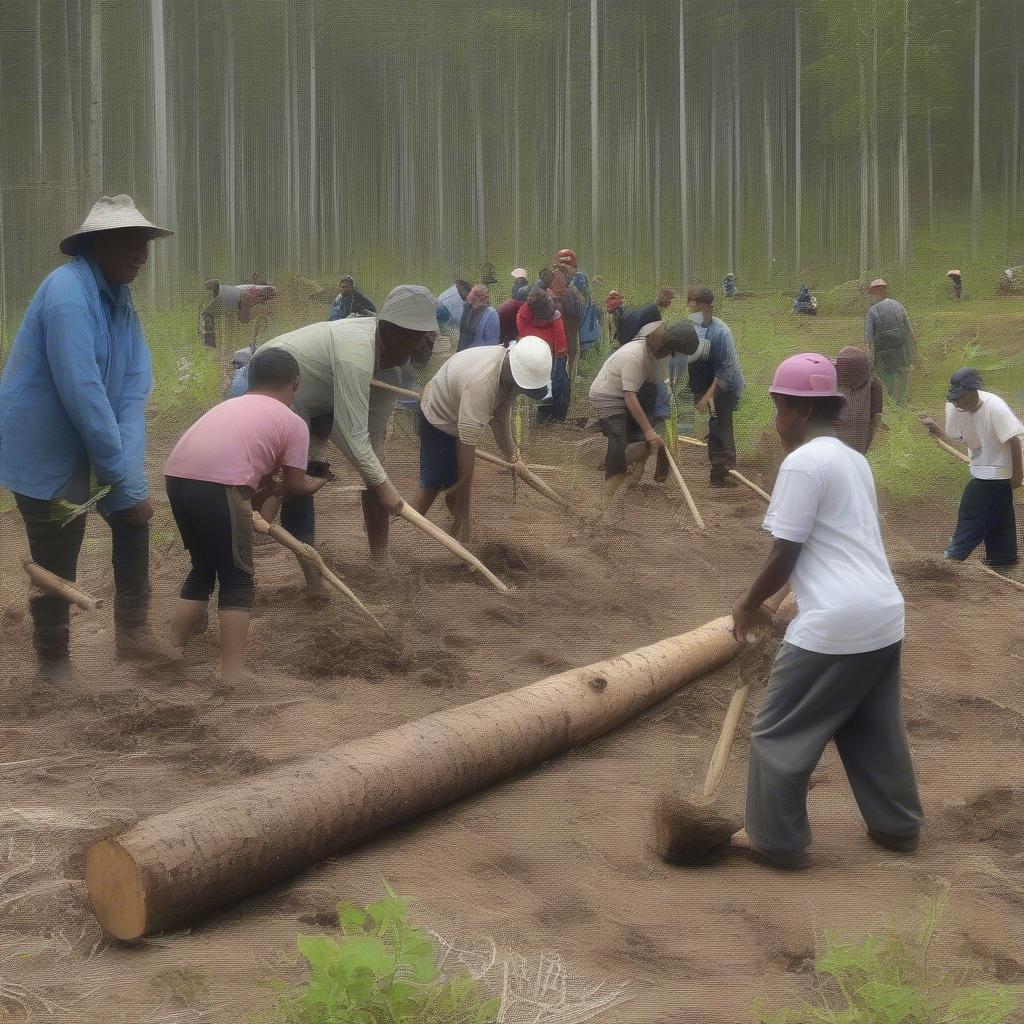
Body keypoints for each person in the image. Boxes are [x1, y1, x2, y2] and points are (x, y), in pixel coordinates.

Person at [728, 352, 922, 869]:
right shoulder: (853, 459)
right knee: (870, 725)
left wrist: (748, 605)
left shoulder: (802, 462)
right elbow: (832, 544)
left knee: (777, 734)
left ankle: (776, 841)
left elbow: (784, 551)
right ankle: (898, 825)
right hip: (883, 614)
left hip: (834, 624)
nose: (775, 423)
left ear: (794, 409)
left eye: (776, 410)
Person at [0, 194, 174, 682]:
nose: (141, 253)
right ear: (97, 244)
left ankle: (133, 639)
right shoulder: (67, 296)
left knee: (133, 515)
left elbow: (133, 390)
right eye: (130, 242)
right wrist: (120, 474)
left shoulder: (120, 301)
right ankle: (53, 661)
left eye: (145, 243)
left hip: (91, 440)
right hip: (42, 446)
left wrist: (128, 481)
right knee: (58, 543)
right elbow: (84, 393)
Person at [164, 349, 327, 682]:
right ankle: (232, 674)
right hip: (218, 485)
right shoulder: (293, 421)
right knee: (237, 578)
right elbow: (295, 487)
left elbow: (259, 476)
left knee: (203, 568)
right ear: (295, 383)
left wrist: (270, 486)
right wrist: (320, 480)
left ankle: (173, 652)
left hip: (177, 477)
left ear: (251, 380)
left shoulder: (228, 405)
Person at [261, 285, 438, 582]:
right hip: (266, 388)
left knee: (315, 475)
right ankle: (243, 558)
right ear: (393, 329)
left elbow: (371, 447)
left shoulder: (387, 368)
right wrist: (386, 490)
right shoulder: (356, 351)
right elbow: (350, 435)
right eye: (417, 338)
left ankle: (376, 560)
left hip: (309, 409)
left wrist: (378, 479)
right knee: (276, 490)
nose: (419, 347)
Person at [413, 337, 553, 541]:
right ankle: (407, 534)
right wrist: (463, 494)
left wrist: (513, 454)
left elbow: (500, 415)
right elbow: (466, 444)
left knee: (456, 489)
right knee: (433, 485)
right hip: (439, 418)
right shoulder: (482, 384)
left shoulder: (510, 368)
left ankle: (460, 533)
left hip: (460, 414)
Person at [920, 368, 1024, 570]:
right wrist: (937, 431)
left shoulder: (995, 407)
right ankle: (1003, 558)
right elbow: (964, 437)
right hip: (983, 467)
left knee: (972, 511)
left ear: (974, 392)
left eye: (961, 398)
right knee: (999, 511)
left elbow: (1014, 442)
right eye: (954, 399)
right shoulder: (955, 407)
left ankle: (953, 558)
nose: (957, 403)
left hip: (1001, 469)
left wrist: (1017, 476)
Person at [588, 321, 699, 509]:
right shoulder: (636, 356)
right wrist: (648, 431)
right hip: (607, 396)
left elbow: (653, 387)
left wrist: (650, 429)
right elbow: (629, 396)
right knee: (619, 439)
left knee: (646, 438)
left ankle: (630, 467)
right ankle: (607, 494)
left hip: (634, 392)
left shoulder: (660, 353)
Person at [685, 287, 745, 488]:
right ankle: (720, 469)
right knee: (715, 424)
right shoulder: (695, 326)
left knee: (721, 425)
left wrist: (708, 396)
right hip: (706, 382)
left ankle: (721, 473)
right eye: (690, 304)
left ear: (707, 306)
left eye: (695, 305)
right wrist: (697, 391)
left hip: (725, 386)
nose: (691, 309)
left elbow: (726, 371)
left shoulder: (722, 333)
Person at [517, 288, 569, 423]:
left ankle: (559, 415)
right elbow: (527, 339)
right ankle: (544, 416)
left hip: (555, 353)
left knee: (559, 381)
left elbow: (560, 340)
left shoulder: (554, 313)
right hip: (536, 355)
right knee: (541, 384)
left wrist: (559, 358)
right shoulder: (523, 316)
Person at [864, 278, 916, 407]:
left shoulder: (872, 311)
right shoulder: (899, 305)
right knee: (903, 385)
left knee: (887, 389)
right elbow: (910, 333)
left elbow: (868, 341)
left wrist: (869, 363)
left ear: (874, 293)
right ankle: (903, 409)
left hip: (884, 358)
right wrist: (911, 356)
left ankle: (892, 413)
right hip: (902, 353)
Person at [834, 346, 884, 454]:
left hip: (838, 438)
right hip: (859, 437)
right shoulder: (873, 382)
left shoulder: (834, 380)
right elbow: (876, 419)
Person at [547, 266, 584, 381]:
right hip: (568, 327)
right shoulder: (567, 292)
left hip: (555, 328)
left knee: (556, 353)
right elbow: (573, 311)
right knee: (572, 352)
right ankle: (569, 377)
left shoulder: (550, 291)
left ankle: (555, 377)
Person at [457, 284, 500, 351]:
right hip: (462, 353)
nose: (470, 303)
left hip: (479, 355)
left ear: (482, 301)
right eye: (469, 299)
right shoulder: (466, 308)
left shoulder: (491, 315)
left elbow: (493, 343)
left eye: (473, 300)